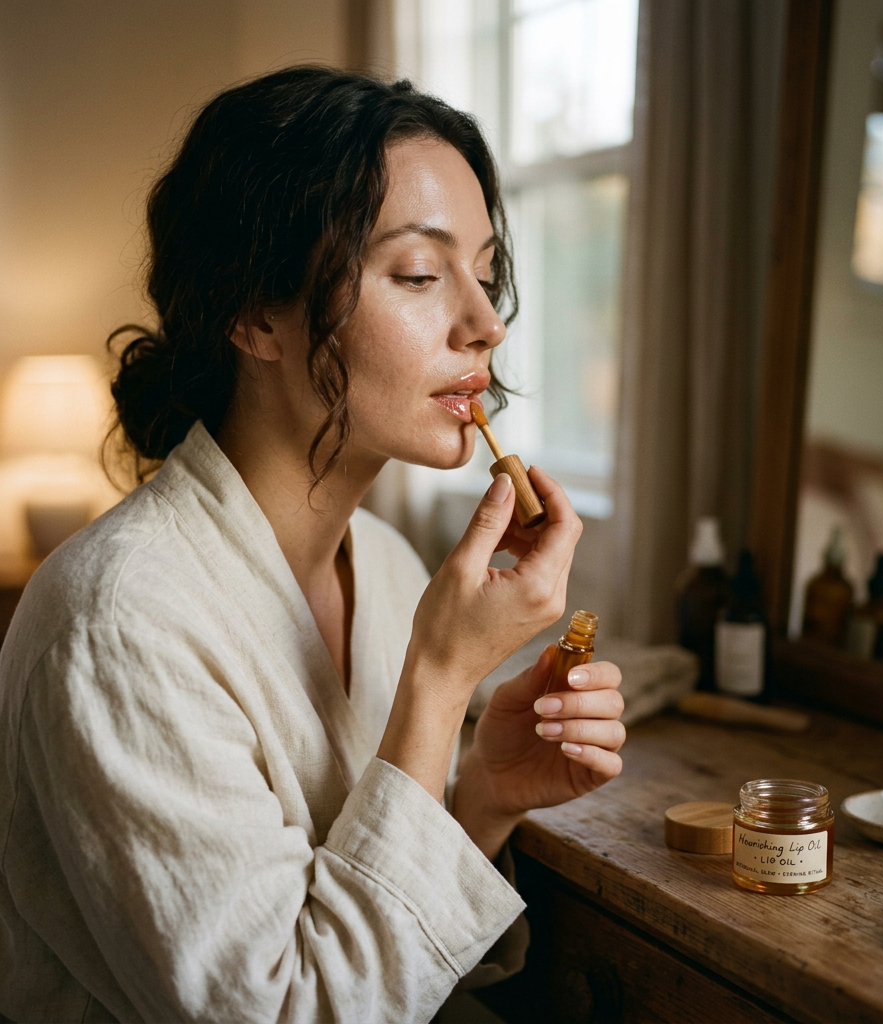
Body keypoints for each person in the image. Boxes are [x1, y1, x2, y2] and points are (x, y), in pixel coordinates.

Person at [0, 68, 626, 1022]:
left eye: (487, 273)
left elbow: (379, 959)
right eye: (420, 273)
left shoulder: (382, 562)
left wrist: (487, 798)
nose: (486, 323)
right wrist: (442, 676)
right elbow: (296, 1008)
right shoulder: (119, 624)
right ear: (255, 313)